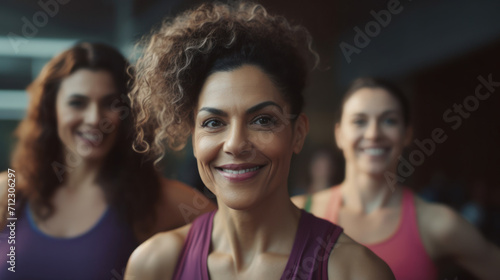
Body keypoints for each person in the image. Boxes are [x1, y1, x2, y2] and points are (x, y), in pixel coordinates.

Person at [124, 2, 394, 279]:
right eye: (214, 123)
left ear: (298, 133)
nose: (235, 144)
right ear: (194, 138)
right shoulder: (154, 264)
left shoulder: (355, 271)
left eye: (262, 120)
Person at [0, 42, 215, 280]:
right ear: (51, 109)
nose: (94, 118)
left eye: (110, 104)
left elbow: (236, 236)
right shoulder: (9, 191)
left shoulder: (154, 197)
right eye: (77, 103)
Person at [292, 77, 500, 280]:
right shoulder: (296, 214)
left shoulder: (437, 224)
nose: (373, 133)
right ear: (339, 134)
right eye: (359, 121)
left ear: (407, 134)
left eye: (389, 120)